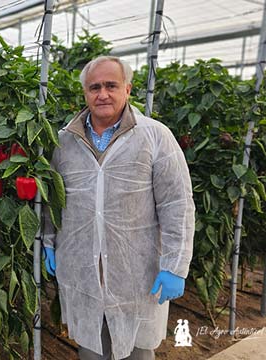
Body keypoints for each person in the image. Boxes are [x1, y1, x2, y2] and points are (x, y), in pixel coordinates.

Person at [42, 56, 194, 360]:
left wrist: (175, 266)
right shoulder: (63, 142)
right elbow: (53, 200)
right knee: (91, 350)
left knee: (137, 351)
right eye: (94, 87)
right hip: (82, 269)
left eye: (111, 85)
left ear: (127, 89)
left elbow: (177, 203)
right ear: (84, 92)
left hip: (136, 272)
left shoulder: (154, 136)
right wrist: (48, 241)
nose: (102, 94)